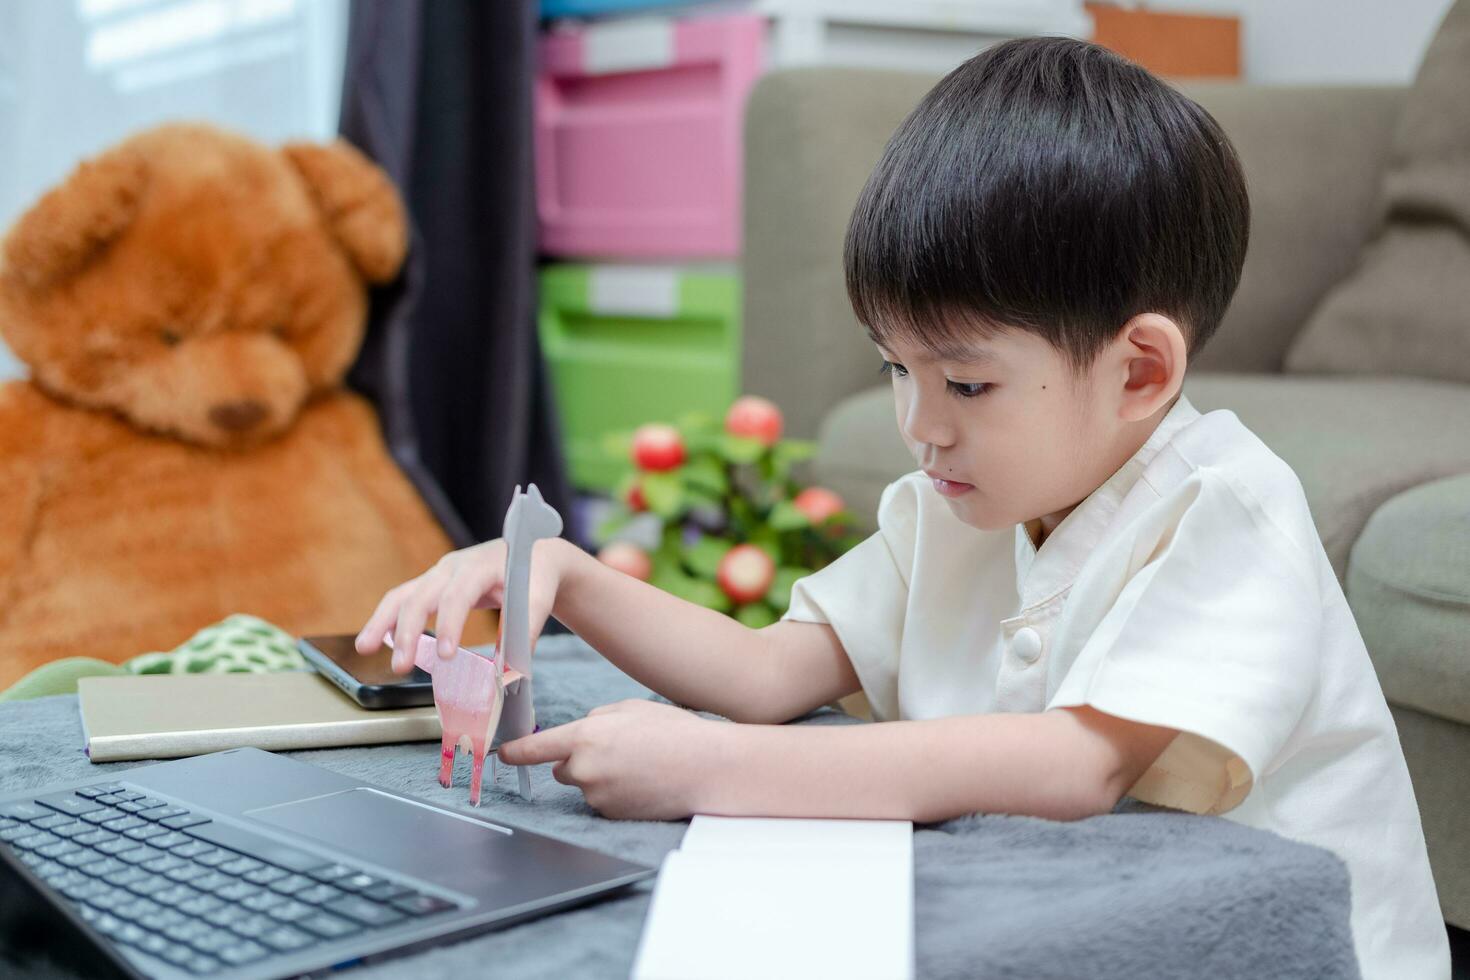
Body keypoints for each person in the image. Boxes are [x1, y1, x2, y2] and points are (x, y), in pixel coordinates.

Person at [356, 36, 1448, 978]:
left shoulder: (1226, 507)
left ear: (1140, 371)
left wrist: (720, 770)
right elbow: (765, 670)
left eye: (964, 383)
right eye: (895, 368)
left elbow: (1075, 764)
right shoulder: (951, 503)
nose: (919, 424)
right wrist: (568, 577)